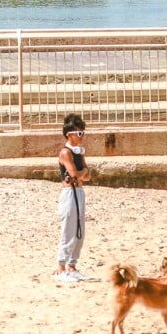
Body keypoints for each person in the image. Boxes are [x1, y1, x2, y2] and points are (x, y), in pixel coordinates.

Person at [55, 114, 92, 283]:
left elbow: (86, 176)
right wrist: (81, 174)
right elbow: (75, 174)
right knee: (68, 230)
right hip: (70, 194)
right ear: (69, 134)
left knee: (79, 230)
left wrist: (81, 174)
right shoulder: (66, 152)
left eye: (82, 132)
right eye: (79, 133)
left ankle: (72, 266)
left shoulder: (79, 152)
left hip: (79, 192)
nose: (82, 136)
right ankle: (61, 268)